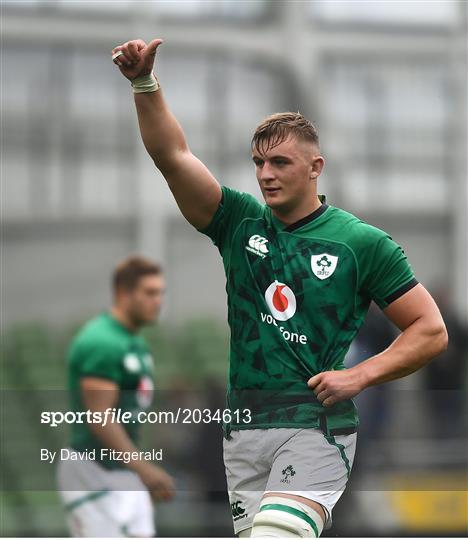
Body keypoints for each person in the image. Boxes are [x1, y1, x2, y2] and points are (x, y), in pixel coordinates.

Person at [110, 39, 448, 538]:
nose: (266, 175)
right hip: (243, 432)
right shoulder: (238, 222)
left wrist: (359, 377)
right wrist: (145, 84)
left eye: (281, 163)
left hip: (316, 430)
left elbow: (431, 330)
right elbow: (174, 157)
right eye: (258, 163)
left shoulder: (362, 244)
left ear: (316, 168)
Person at [57, 256, 175, 537]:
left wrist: (136, 473)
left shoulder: (134, 340)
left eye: (160, 293)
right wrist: (144, 469)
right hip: (92, 470)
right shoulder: (102, 342)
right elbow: (99, 417)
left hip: (122, 472)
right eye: (149, 292)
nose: (158, 300)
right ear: (124, 293)